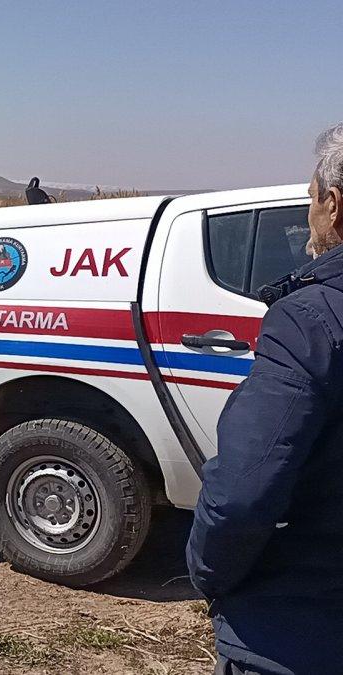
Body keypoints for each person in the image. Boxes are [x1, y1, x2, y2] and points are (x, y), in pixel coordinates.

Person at [186, 122, 343, 675]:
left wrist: (208, 574)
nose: (308, 216)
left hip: (304, 634)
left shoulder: (310, 323)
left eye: (310, 201)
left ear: (334, 205)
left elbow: (241, 497)